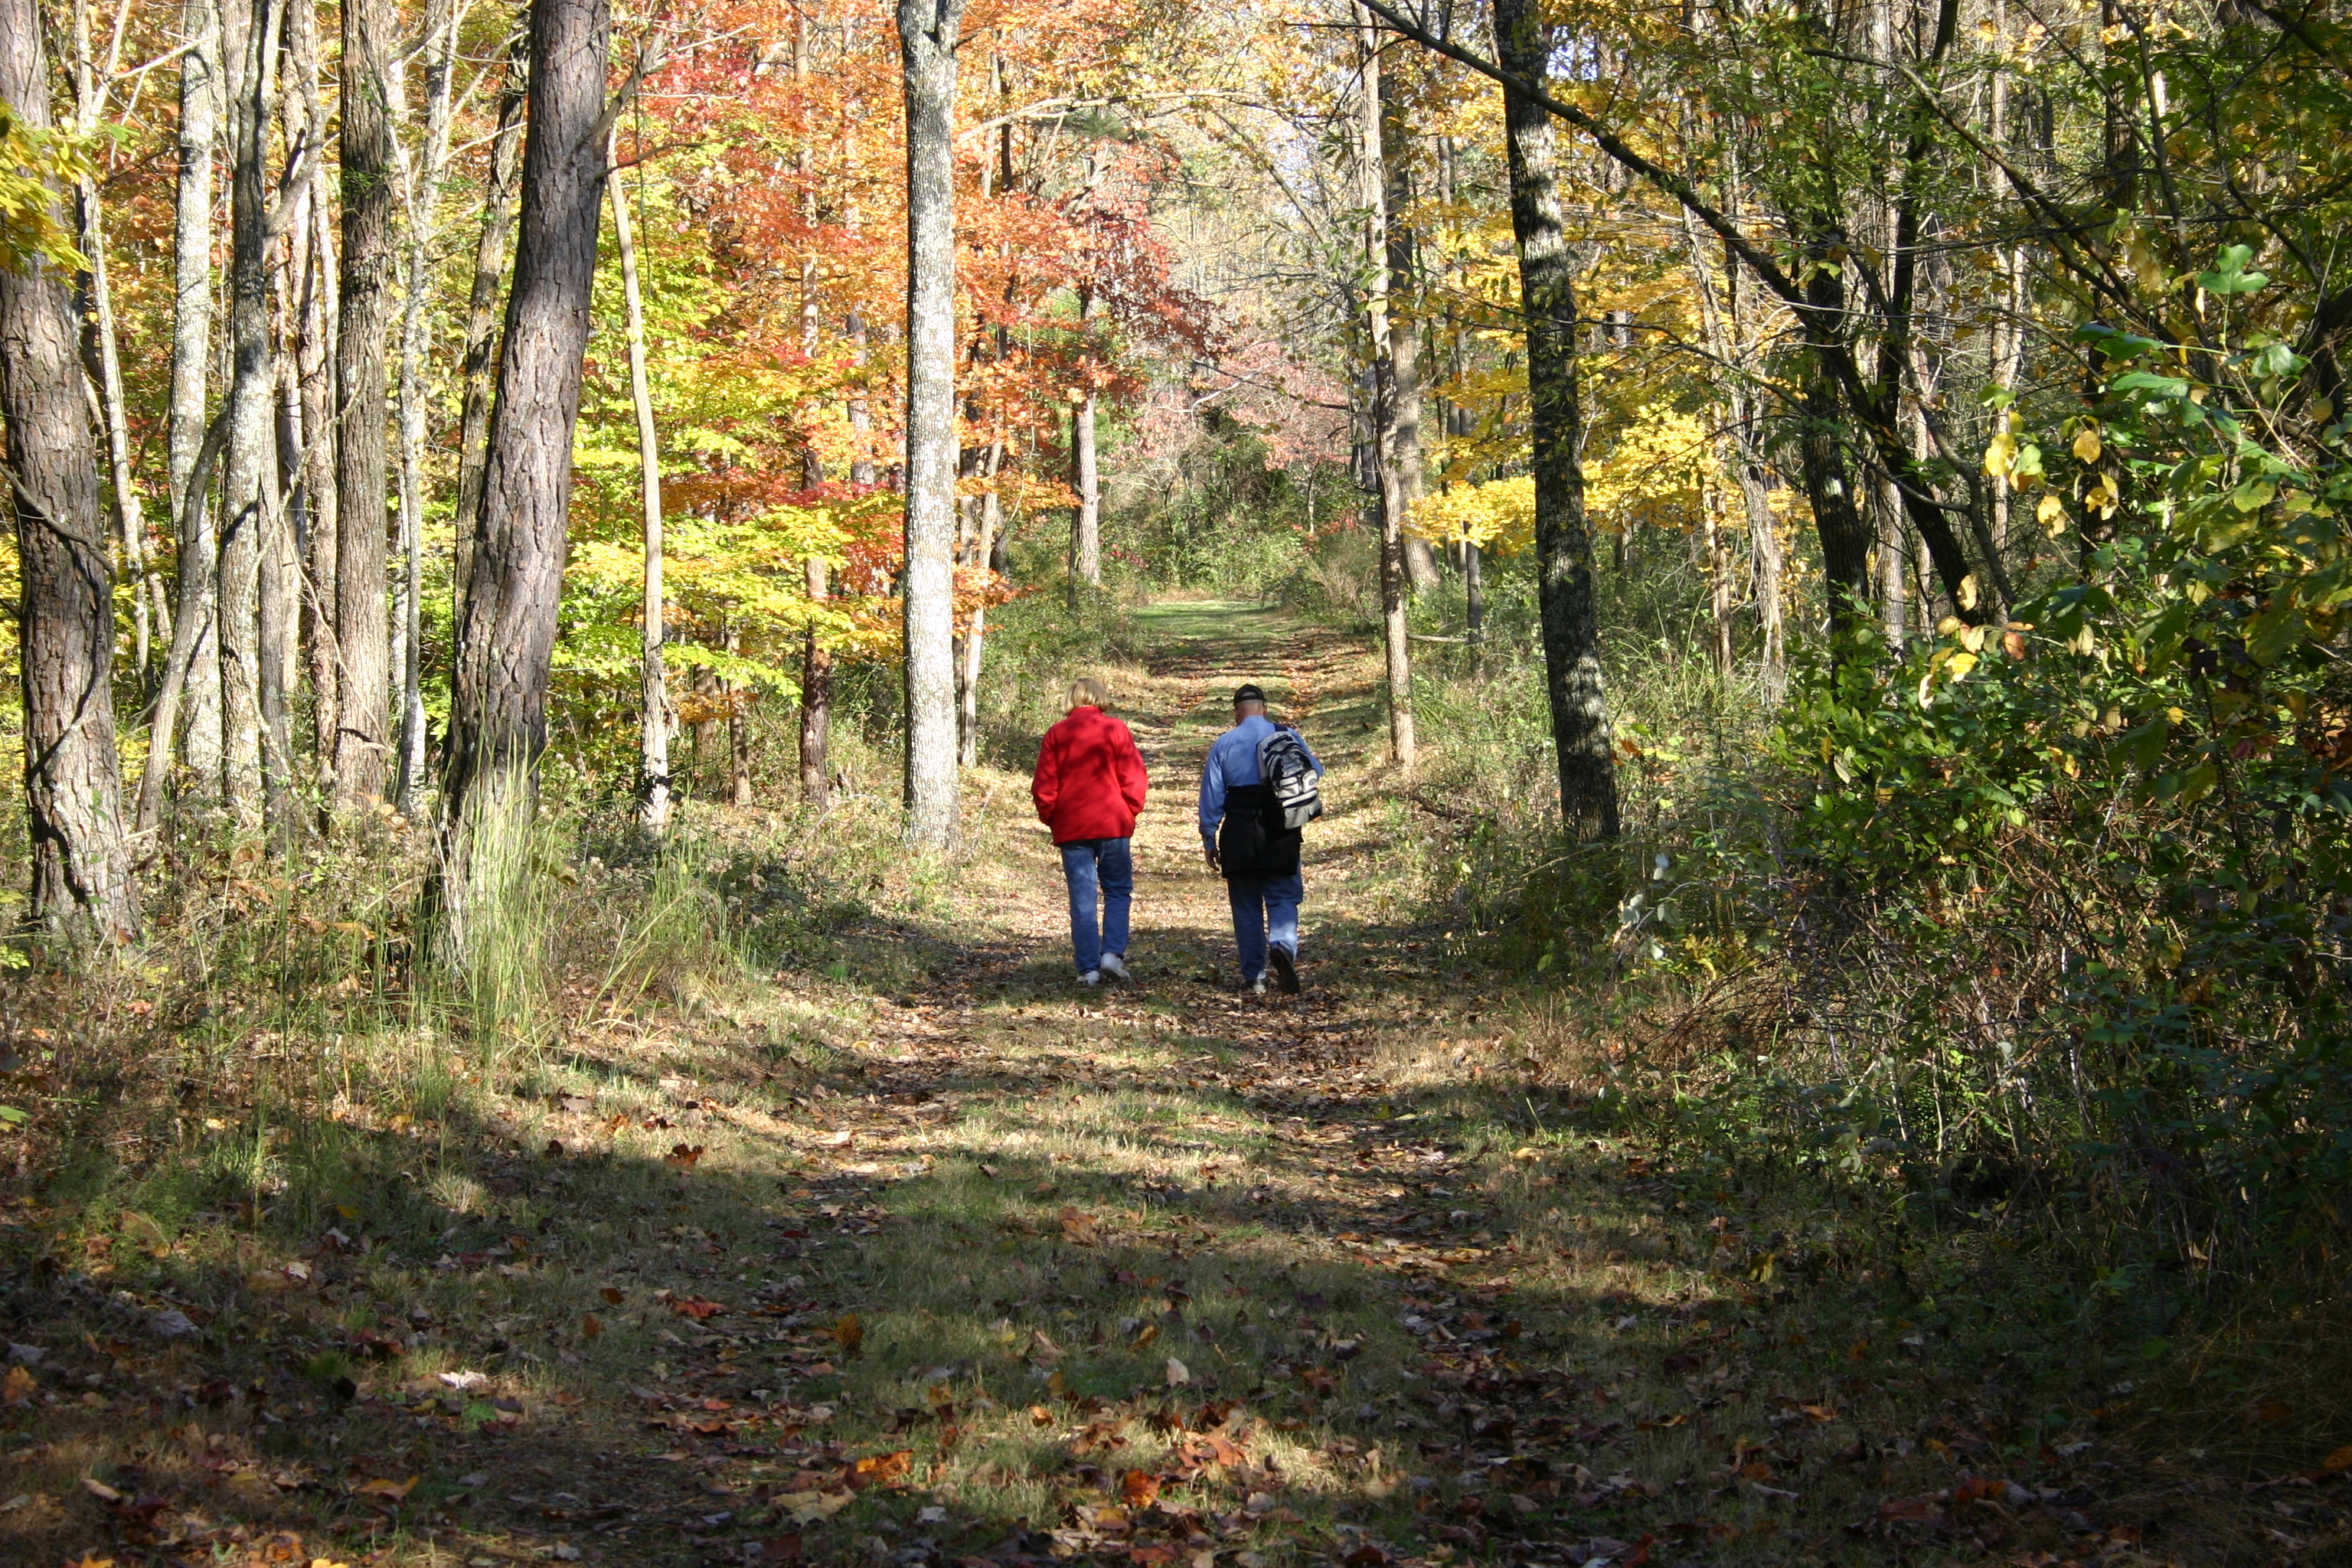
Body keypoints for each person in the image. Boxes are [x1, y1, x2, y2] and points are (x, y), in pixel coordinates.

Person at [1198, 684, 1321, 995]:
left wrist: (1209, 837)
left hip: (1239, 830)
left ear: (1237, 713)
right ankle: (1282, 947)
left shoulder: (1224, 744)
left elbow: (1212, 796)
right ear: (1264, 709)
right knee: (1282, 896)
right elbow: (1315, 772)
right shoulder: (1287, 737)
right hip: (1281, 828)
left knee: (1246, 906)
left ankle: (1255, 976)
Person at [1031, 676, 1149, 985]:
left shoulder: (1057, 733)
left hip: (1072, 826)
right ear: (1100, 698)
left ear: (1072, 699)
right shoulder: (1115, 729)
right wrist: (1130, 809)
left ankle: (1088, 969)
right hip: (1112, 822)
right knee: (1117, 890)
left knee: (1082, 897)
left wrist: (1052, 817)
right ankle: (1112, 954)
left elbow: (1044, 785)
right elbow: (1134, 777)